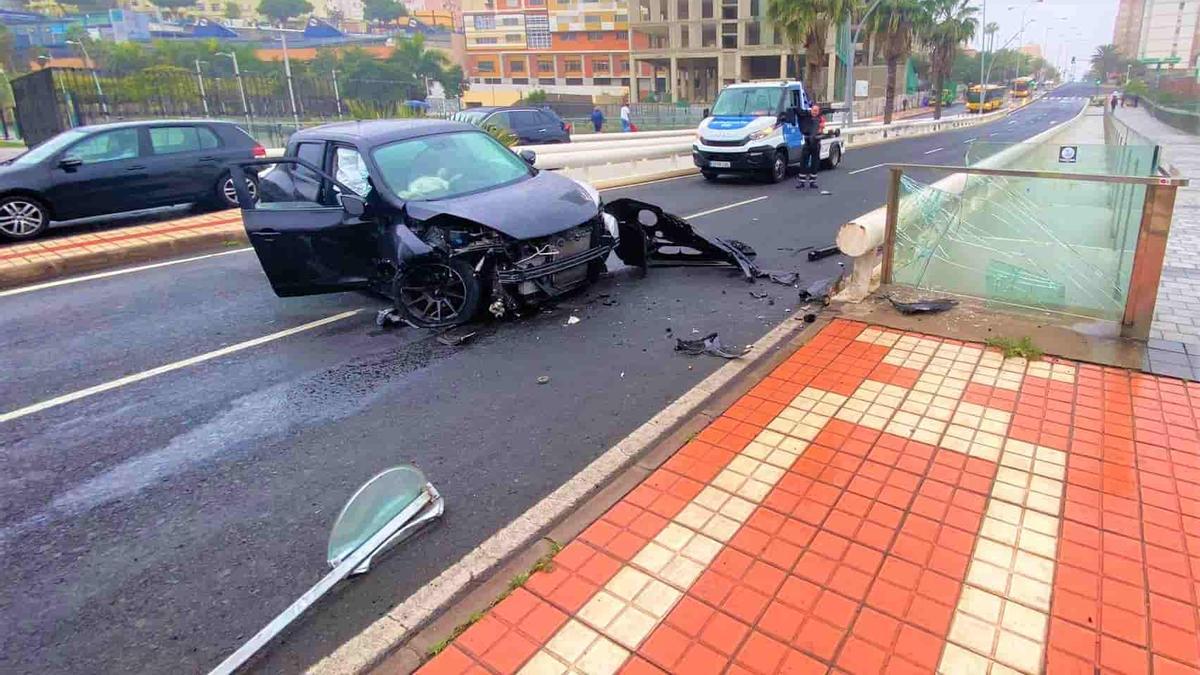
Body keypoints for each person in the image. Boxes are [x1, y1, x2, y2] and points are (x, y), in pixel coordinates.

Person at [796, 104, 825, 190]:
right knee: (803, 162)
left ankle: (813, 182)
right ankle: (802, 181)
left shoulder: (820, 119)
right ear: (811, 110)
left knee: (814, 163)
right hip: (807, 143)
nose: (814, 112)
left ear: (818, 112)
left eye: (816, 111)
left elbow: (820, 128)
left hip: (815, 143)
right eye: (813, 110)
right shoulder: (806, 116)